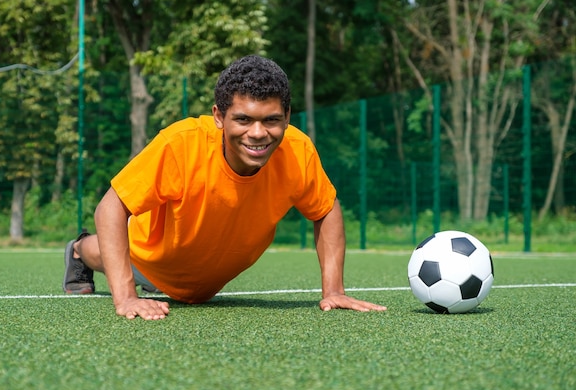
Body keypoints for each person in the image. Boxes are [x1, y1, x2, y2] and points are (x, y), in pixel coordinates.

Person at [63, 55, 387, 320]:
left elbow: (326, 208)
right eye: (244, 119)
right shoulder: (181, 144)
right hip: (149, 260)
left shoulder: (298, 152)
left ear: (287, 116)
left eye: (271, 120)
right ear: (219, 116)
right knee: (102, 250)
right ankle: (78, 249)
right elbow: (110, 208)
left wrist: (333, 291)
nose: (258, 133)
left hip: (203, 287)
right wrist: (126, 298)